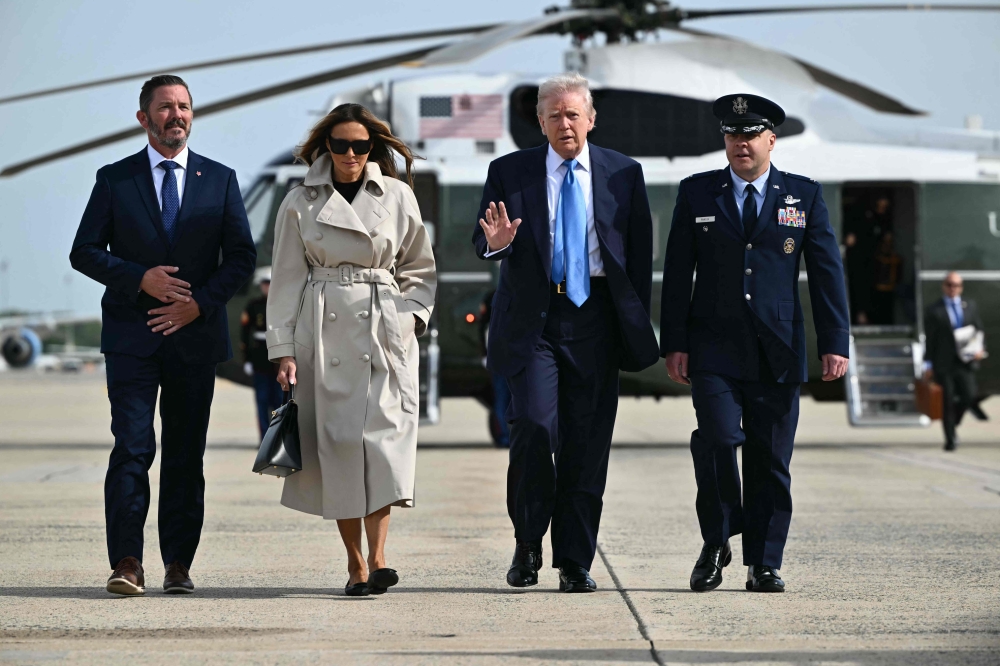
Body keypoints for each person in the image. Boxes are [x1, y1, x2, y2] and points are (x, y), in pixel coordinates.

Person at [69, 75, 257, 596]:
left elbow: (242, 256)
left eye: (184, 107)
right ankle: (127, 562)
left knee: (183, 454)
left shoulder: (219, 179)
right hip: (133, 338)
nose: (177, 115)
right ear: (143, 118)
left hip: (194, 340)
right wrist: (139, 277)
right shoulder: (115, 179)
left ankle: (178, 563)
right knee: (131, 448)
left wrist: (199, 304)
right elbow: (83, 251)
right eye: (166, 107)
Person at [472, 73, 659, 593]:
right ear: (540, 122)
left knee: (586, 444)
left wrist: (630, 322)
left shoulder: (624, 173)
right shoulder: (509, 171)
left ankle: (574, 561)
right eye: (553, 114)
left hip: (596, 319)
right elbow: (480, 240)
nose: (564, 123)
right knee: (531, 425)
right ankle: (528, 541)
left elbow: (638, 256)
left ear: (591, 119)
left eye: (573, 113)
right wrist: (499, 244)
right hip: (535, 322)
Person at [660, 94, 849, 593]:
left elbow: (828, 274)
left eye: (750, 134)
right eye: (731, 134)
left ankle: (764, 562)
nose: (739, 143)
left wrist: (835, 341)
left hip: (779, 348)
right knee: (719, 442)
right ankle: (718, 540)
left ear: (771, 140)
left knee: (770, 459)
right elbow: (678, 274)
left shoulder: (803, 195)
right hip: (713, 347)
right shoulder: (698, 192)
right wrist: (673, 342)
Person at [267, 103, 436, 597]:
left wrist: (411, 318)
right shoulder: (299, 202)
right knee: (339, 449)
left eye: (360, 145)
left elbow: (420, 269)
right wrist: (284, 349)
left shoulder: (399, 196)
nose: (350, 154)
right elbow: (285, 281)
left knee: (381, 445)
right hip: (323, 328)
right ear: (326, 147)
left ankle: (381, 556)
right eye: (339, 144)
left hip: (385, 329)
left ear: (372, 148)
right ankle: (356, 563)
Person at [924, 272, 987, 450]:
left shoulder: (970, 306)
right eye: (950, 285)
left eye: (956, 285)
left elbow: (978, 330)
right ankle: (950, 440)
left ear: (961, 287)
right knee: (947, 401)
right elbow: (930, 340)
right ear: (944, 286)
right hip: (944, 363)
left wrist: (979, 349)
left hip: (965, 362)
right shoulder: (934, 310)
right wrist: (928, 364)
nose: (953, 288)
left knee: (969, 396)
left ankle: (953, 422)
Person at [241, 267, 282, 438]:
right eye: (265, 283)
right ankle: (264, 437)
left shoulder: (283, 305)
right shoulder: (253, 305)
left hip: (279, 358)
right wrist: (247, 360)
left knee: (279, 401)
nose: (268, 287)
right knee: (262, 400)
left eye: (271, 283)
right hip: (259, 357)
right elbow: (245, 334)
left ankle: (278, 437)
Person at [870, 232, 902, 325]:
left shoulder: (895, 259)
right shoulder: (877, 258)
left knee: (889, 314)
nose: (887, 245)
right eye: (885, 242)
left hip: (891, 289)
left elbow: (899, 274)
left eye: (889, 242)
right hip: (877, 289)